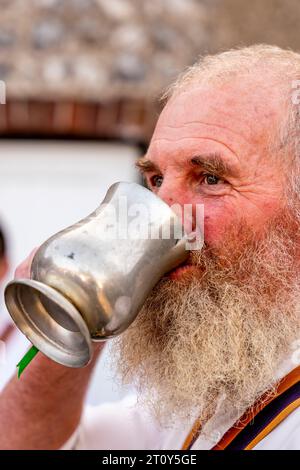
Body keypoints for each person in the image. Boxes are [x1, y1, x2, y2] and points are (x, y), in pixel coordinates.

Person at [0, 44, 299, 450]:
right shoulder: (217, 386)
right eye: (156, 179)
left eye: (209, 178)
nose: (160, 214)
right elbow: (22, 442)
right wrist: (78, 304)